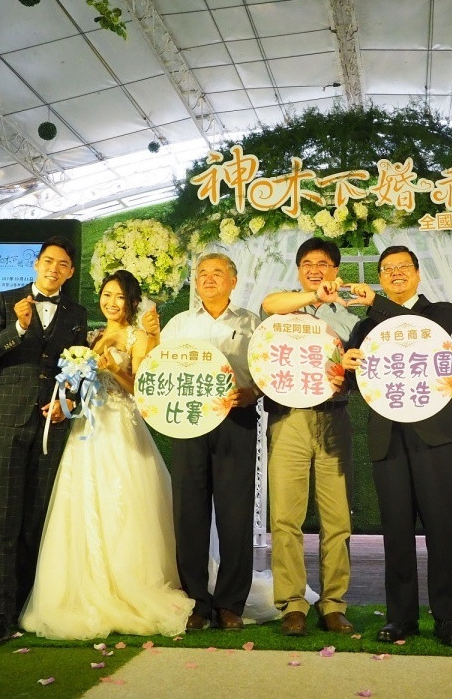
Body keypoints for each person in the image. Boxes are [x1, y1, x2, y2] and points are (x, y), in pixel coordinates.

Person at [20, 269, 193, 638]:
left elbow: (142, 390)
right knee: (81, 504)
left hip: (120, 426)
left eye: (119, 297)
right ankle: (82, 587)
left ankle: (129, 584)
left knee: (124, 503)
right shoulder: (91, 336)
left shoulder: (137, 337)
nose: (111, 302)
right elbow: (79, 385)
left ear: (131, 302)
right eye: (106, 295)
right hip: (86, 428)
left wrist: (115, 369)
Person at [342, 245, 452, 647]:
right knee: (396, 530)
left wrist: (375, 302)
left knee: (441, 528)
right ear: (381, 278)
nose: (396, 273)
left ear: (417, 274)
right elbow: (357, 383)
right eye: (387, 269)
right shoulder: (365, 327)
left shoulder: (440, 312)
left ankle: (448, 619)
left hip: (436, 434)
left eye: (403, 267)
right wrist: (348, 366)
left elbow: (421, 333)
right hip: (388, 435)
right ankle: (400, 617)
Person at [0, 236, 88, 645]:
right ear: (36, 263)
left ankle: (28, 605)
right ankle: (2, 614)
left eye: (62, 264)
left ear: (70, 272)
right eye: (48, 261)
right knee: (4, 518)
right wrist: (20, 326)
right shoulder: (5, 301)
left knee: (37, 518)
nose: (53, 269)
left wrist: (68, 402)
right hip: (7, 418)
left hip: (51, 423)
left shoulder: (77, 313)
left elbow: (79, 366)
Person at [260, 237, 356, 638]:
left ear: (336, 271)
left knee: (337, 519)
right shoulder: (283, 308)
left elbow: (360, 361)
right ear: (299, 270)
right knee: (285, 516)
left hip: (334, 417)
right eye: (307, 264)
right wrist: (313, 297)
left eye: (323, 264)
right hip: (289, 419)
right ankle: (293, 604)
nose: (315, 269)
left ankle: (333, 604)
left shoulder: (348, 317)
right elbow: (269, 303)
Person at [160, 252, 260, 632]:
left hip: (236, 419)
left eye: (218, 273)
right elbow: (159, 370)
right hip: (189, 422)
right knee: (189, 514)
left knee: (236, 515)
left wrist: (253, 393)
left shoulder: (252, 323)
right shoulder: (179, 324)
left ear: (233, 281)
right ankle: (196, 602)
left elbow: (265, 371)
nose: (209, 278)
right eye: (202, 273)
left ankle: (231, 604)